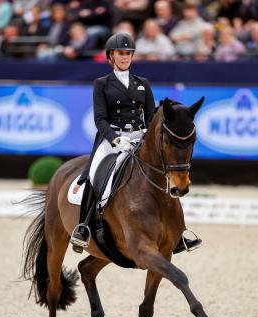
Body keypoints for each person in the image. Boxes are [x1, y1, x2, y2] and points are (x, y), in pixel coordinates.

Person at [70, 32, 202, 254]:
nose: (125, 57)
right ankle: (83, 228)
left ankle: (179, 232)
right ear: (111, 56)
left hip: (138, 137)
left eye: (128, 53)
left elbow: (150, 117)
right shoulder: (101, 83)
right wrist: (115, 138)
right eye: (121, 53)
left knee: (163, 174)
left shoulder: (142, 83)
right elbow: (99, 119)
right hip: (111, 139)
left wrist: (147, 135)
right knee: (94, 175)